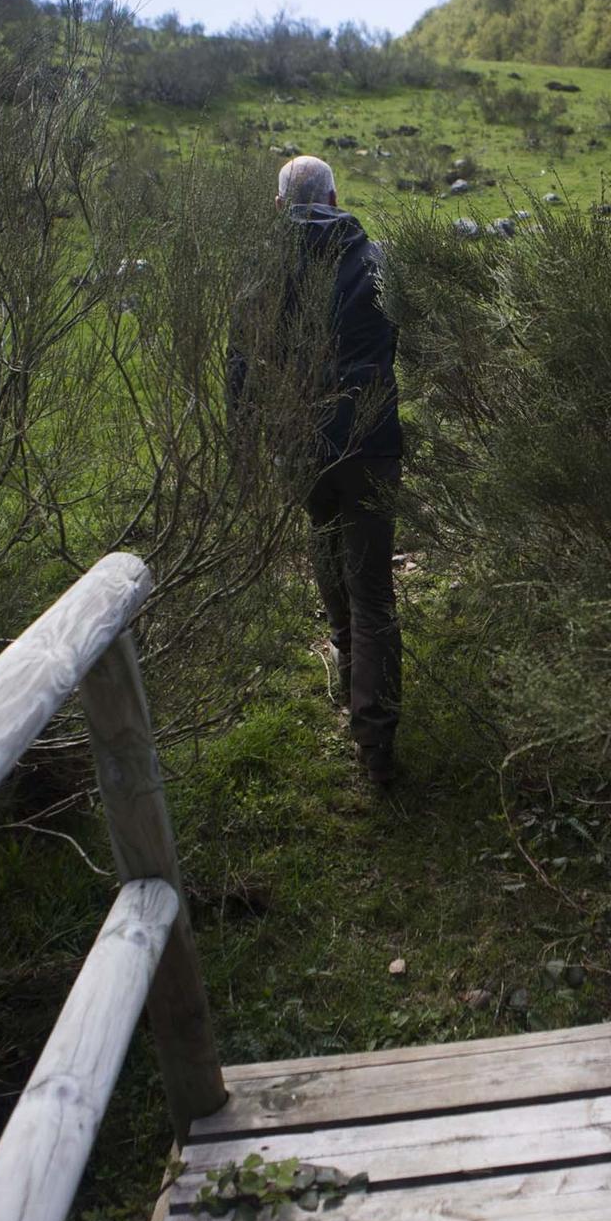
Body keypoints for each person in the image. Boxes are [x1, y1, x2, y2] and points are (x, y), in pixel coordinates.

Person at [266, 155, 404, 785]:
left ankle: (351, 681)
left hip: (301, 444)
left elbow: (242, 362)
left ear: (279, 205)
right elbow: (410, 334)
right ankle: (375, 747)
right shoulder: (374, 259)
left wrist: (257, 436)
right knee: (372, 586)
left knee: (327, 558)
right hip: (372, 443)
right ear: (335, 196)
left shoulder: (261, 270)